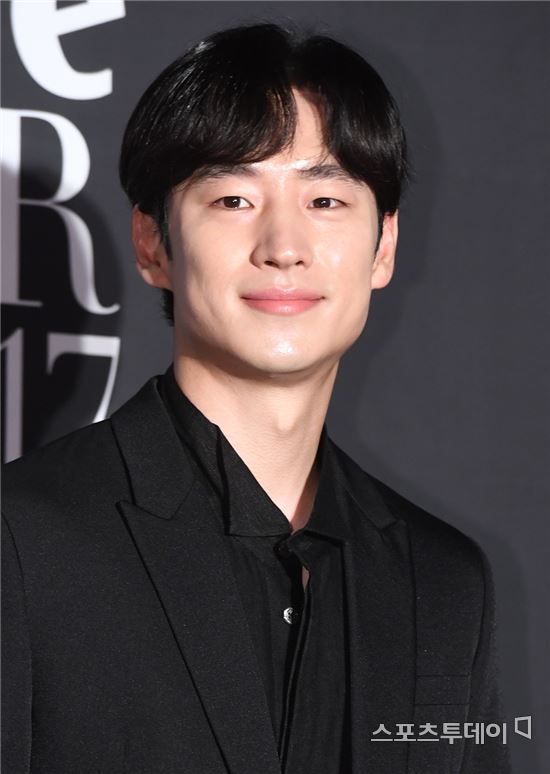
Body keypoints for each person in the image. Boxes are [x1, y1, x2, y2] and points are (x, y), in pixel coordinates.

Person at [2, 23, 509, 774]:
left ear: (384, 247)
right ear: (152, 243)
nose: (283, 246)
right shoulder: (21, 540)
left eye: (326, 199)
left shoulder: (443, 580)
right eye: (234, 198)